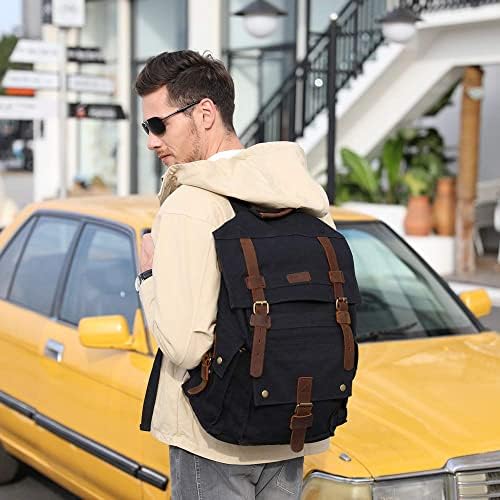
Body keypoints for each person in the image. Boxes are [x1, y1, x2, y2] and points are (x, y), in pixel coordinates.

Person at [135, 50, 336, 499]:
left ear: (205, 113)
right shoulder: (304, 197)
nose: (151, 141)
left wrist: (148, 277)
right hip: (288, 423)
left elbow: (185, 346)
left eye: (158, 124)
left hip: (212, 436)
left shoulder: (191, 204)